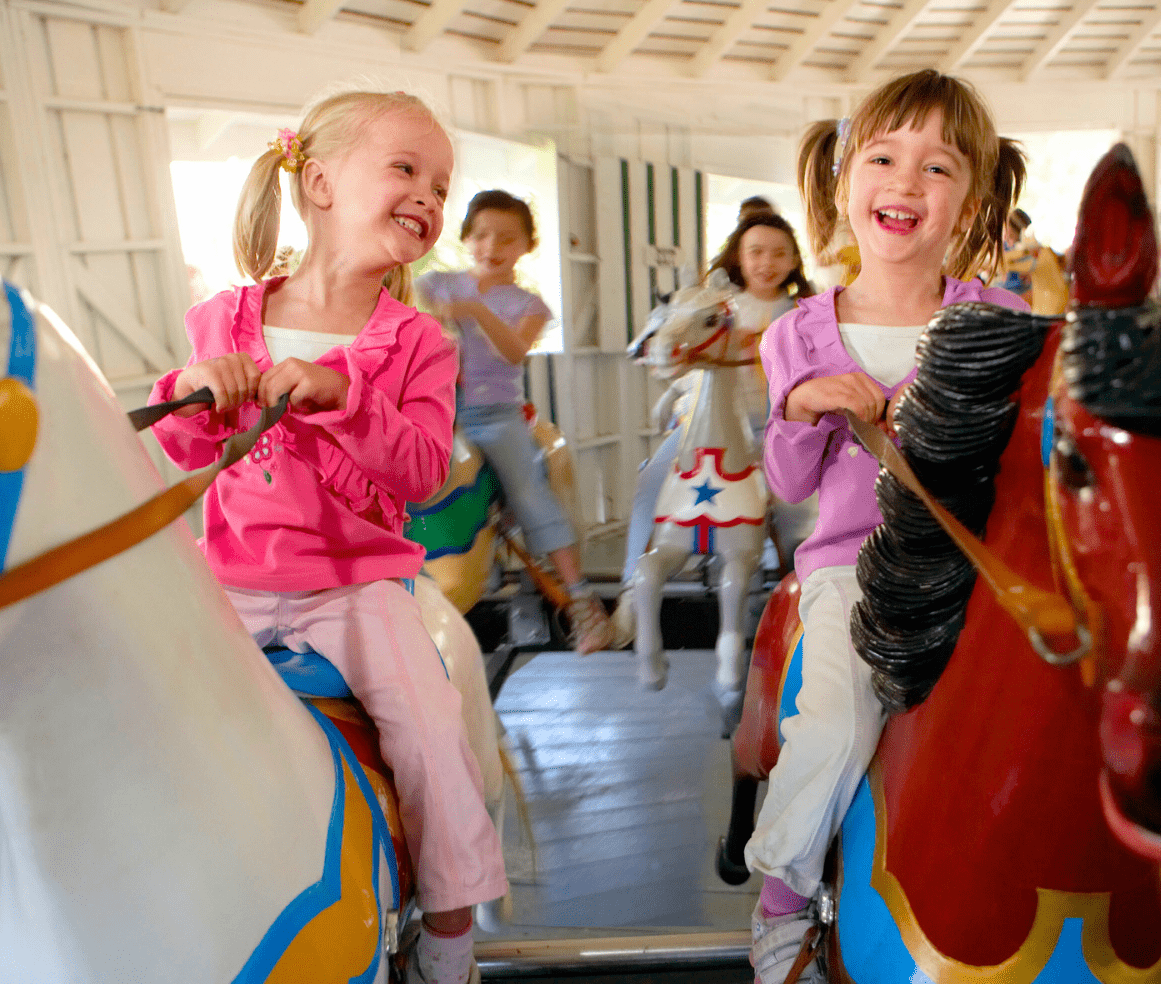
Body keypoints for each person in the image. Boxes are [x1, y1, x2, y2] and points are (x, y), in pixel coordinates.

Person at [147, 89, 506, 984]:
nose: (429, 194)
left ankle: (450, 928)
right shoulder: (224, 319)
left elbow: (423, 470)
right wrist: (197, 385)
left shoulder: (416, 341)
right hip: (228, 577)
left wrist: (348, 397)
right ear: (317, 183)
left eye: (441, 183)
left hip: (352, 586)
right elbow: (185, 446)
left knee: (429, 729)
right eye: (405, 169)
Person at [744, 69, 1030, 984]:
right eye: (883, 157)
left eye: (938, 168)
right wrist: (803, 408)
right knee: (830, 726)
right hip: (856, 573)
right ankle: (783, 898)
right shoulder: (796, 332)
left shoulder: (1000, 320)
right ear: (843, 181)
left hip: (976, 574)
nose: (906, 183)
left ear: (971, 200)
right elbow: (788, 483)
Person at [414, 190, 612, 654]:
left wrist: (477, 310)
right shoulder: (434, 284)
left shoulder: (528, 305)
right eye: (481, 235)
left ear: (526, 245)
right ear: (466, 238)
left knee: (529, 491)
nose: (491, 246)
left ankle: (582, 602)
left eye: (506, 238)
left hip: (492, 416)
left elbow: (514, 352)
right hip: (432, 409)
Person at [607, 211, 815, 649]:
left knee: (799, 506)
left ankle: (807, 595)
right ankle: (631, 589)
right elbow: (672, 354)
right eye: (756, 252)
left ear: (795, 260)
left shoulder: (802, 313)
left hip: (774, 428)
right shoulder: (712, 304)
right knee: (652, 482)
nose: (767, 263)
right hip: (708, 425)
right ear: (739, 256)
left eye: (780, 253)